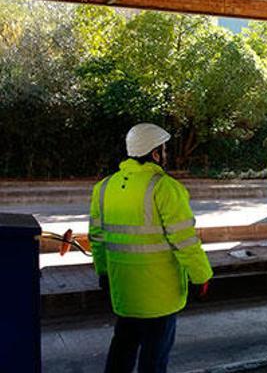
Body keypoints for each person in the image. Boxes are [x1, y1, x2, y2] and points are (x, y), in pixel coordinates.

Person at [88, 123, 213, 373]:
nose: (165, 154)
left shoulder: (103, 187)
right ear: (155, 153)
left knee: (122, 349)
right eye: (163, 149)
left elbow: (97, 239)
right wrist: (201, 276)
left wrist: (103, 273)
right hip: (160, 294)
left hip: (124, 290)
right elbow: (185, 240)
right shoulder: (165, 187)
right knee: (154, 360)